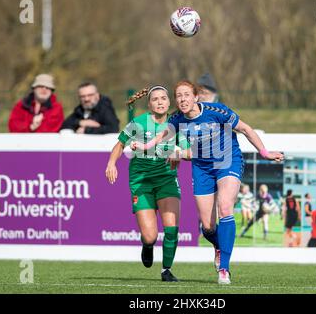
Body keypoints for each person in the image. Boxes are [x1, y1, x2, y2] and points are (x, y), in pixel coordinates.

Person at [131, 80, 284, 284]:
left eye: (186, 94)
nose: (182, 99)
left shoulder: (216, 110)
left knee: (226, 207)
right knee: (208, 227)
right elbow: (161, 136)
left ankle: (224, 269)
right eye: (179, 96)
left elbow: (246, 129)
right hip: (202, 168)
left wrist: (264, 152)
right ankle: (218, 246)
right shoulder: (177, 119)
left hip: (228, 161)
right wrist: (144, 145)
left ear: (196, 97)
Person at [105, 85, 190, 282]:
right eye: (155, 99)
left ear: (169, 102)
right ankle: (147, 245)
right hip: (141, 182)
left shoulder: (175, 124)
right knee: (150, 236)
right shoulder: (139, 123)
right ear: (149, 104)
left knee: (171, 229)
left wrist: (178, 154)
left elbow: (187, 151)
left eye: (163, 98)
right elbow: (120, 145)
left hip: (166, 179)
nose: (160, 102)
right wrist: (111, 163)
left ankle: (166, 270)